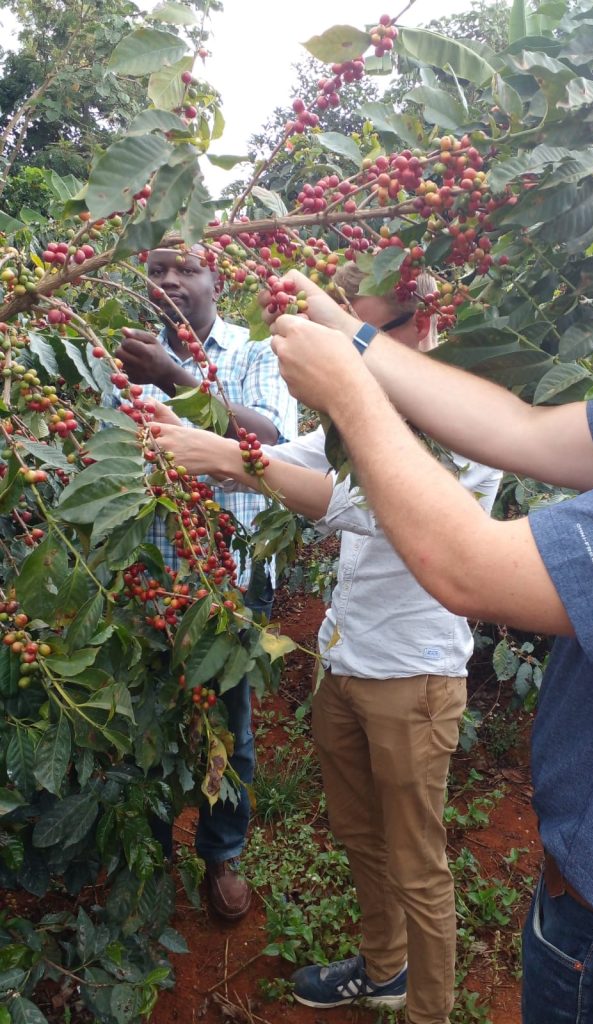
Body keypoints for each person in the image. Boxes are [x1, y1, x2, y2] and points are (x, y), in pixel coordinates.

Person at [258, 117, 593, 1022]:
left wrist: (348, 390)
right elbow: (521, 430)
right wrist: (354, 336)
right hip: (589, 908)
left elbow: (469, 567)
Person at [151, 262, 501, 1024]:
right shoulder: (372, 401)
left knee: (417, 864)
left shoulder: (463, 418)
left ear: (418, 320)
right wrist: (209, 435)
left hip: (413, 678)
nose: (343, 338)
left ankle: (428, 1011)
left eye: (356, 323)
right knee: (360, 835)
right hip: (347, 661)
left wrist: (226, 458)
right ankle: (384, 969)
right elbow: (311, 455)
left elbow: (362, 503)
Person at [112, 244, 297, 922]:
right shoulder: (126, 356)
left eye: (185, 269)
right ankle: (154, 853)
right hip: (152, 581)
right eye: (156, 269)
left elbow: (269, 439)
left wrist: (173, 377)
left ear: (217, 280)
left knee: (230, 725)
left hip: (228, 587)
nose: (168, 280)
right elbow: (113, 454)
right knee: (150, 722)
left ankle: (222, 853)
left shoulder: (252, 352)